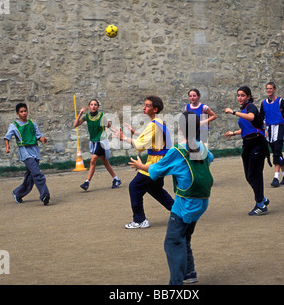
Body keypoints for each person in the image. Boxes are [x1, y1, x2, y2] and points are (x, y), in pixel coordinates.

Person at [129, 111, 214, 285]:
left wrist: (140, 165)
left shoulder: (178, 151)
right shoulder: (202, 147)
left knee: (173, 242)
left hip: (185, 203)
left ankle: (175, 284)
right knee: (185, 238)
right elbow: (209, 159)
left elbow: (156, 170)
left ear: (180, 128)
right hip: (201, 201)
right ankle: (189, 272)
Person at [112, 96, 174, 229]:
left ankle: (139, 220)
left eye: (147, 105)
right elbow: (148, 139)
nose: (143, 108)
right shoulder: (158, 122)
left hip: (155, 164)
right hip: (160, 163)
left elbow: (140, 145)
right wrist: (134, 133)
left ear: (155, 109)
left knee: (134, 186)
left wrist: (124, 137)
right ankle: (178, 212)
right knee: (154, 188)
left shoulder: (153, 124)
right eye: (144, 105)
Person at [224, 86, 271, 216]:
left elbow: (250, 118)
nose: (240, 97)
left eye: (243, 95)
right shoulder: (243, 110)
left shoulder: (251, 107)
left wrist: (233, 112)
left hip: (257, 144)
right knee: (249, 175)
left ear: (248, 97)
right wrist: (234, 133)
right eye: (238, 95)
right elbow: (248, 127)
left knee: (255, 174)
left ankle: (260, 204)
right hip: (248, 144)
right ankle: (262, 198)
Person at [4, 103, 50, 205]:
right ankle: (44, 195)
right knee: (37, 174)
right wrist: (7, 147)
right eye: (21, 111)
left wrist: (43, 139)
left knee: (31, 176)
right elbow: (7, 137)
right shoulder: (14, 125)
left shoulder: (32, 124)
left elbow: (38, 135)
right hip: (25, 152)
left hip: (35, 151)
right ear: (17, 114)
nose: (24, 113)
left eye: (25, 111)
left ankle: (18, 193)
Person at [73, 99, 122, 191]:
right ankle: (116, 179)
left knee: (93, 160)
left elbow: (109, 126)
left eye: (95, 104)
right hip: (94, 141)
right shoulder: (86, 116)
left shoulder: (101, 116)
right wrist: (80, 114)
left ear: (98, 107)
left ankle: (87, 182)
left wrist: (117, 132)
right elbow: (75, 125)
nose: (93, 106)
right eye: (91, 104)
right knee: (105, 162)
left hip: (101, 141)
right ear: (89, 107)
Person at [259, 82, 284, 187]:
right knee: (276, 152)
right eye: (267, 88)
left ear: (274, 89)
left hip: (280, 128)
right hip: (269, 130)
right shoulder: (263, 103)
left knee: (276, 152)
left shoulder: (280, 101)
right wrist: (263, 130)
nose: (269, 90)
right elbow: (262, 118)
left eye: (271, 88)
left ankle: (276, 177)